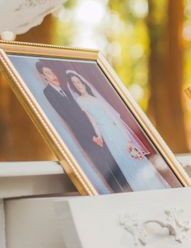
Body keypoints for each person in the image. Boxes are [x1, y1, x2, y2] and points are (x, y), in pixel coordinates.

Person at [65, 70, 170, 191]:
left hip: (115, 128)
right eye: (74, 83)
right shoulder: (80, 101)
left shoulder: (94, 96)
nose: (77, 84)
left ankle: (154, 184)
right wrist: (98, 135)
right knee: (123, 158)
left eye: (78, 81)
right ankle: (138, 187)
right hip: (107, 133)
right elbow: (92, 120)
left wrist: (125, 135)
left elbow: (112, 115)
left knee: (133, 154)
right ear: (73, 86)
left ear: (83, 82)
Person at [36, 61, 131, 193]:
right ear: (43, 76)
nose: (52, 75)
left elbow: (85, 112)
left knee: (111, 160)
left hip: (96, 131)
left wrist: (97, 131)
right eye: (47, 73)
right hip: (85, 136)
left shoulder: (65, 89)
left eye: (52, 71)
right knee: (102, 165)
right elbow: (69, 118)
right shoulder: (48, 93)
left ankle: (127, 189)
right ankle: (117, 193)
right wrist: (91, 135)